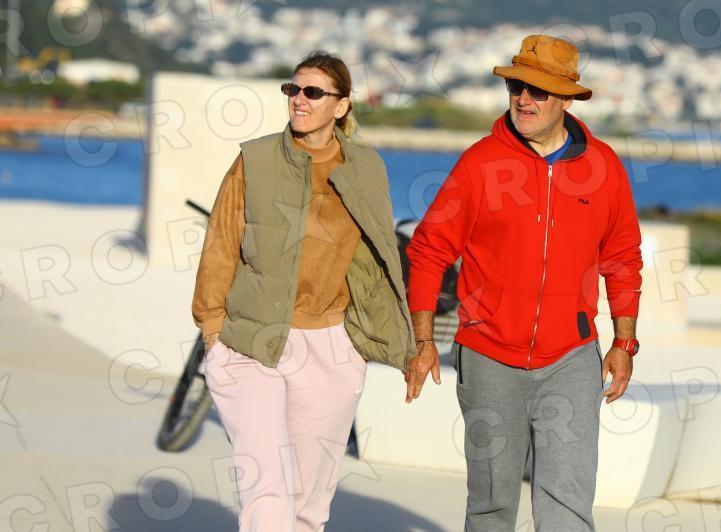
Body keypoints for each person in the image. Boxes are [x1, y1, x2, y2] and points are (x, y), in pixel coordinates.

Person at [404, 35, 643, 531]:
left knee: (568, 505)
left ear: (567, 99)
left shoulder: (603, 168)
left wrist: (624, 343)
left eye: (537, 91)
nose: (523, 99)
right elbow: (429, 249)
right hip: (488, 355)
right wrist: (423, 339)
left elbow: (622, 259)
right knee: (491, 507)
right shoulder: (480, 163)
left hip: (571, 357)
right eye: (516, 87)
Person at [191, 50, 417, 532]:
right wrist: (212, 330)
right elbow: (221, 244)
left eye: (313, 92)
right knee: (267, 488)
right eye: (292, 89)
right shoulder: (254, 159)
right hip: (251, 340)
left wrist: (399, 344)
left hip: (332, 345)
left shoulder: (366, 167)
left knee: (309, 504)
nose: (299, 99)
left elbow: (380, 260)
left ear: (341, 106)